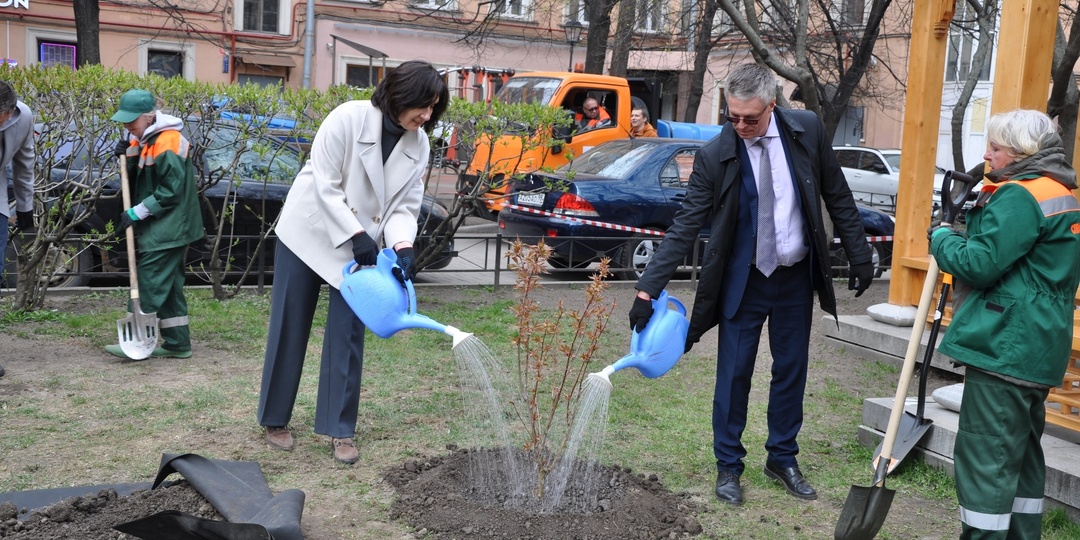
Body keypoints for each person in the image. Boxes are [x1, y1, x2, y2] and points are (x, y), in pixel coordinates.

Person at [628, 63, 874, 506]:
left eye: (750, 118)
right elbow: (685, 225)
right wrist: (648, 289)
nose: (740, 126)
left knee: (791, 370)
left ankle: (782, 458)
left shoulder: (807, 130)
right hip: (743, 281)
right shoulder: (715, 154)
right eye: (732, 116)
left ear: (772, 106)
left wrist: (858, 252)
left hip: (795, 276)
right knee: (734, 374)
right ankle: (728, 465)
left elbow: (836, 193)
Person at [257, 60, 449, 465]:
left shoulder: (419, 145)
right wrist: (355, 233)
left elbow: (405, 205)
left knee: (348, 334)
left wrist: (402, 245)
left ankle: (340, 429)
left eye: (434, 107)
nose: (427, 115)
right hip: (308, 232)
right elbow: (324, 185)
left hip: (359, 251)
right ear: (399, 95)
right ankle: (274, 418)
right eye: (424, 105)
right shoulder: (347, 118)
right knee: (290, 324)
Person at [928, 109, 1080, 539]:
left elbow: (980, 264)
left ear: (1020, 151)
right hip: (1039, 344)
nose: (987, 155)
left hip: (1005, 345)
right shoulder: (1060, 192)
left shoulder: (1020, 195)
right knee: (1022, 455)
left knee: (987, 457)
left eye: (995, 147)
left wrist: (942, 237)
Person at [103, 90, 202, 361]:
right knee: (169, 286)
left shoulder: (168, 140)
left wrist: (138, 212)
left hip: (171, 225)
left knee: (149, 278)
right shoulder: (143, 139)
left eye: (131, 120)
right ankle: (177, 343)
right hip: (166, 224)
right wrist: (126, 156)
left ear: (149, 117)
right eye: (124, 120)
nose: (127, 125)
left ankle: (135, 340)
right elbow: (136, 179)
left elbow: (171, 189)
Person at [0, 80, 34, 378]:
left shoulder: (22, 117)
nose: (4, 121)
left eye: (6, 114)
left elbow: (25, 163)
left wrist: (25, 209)